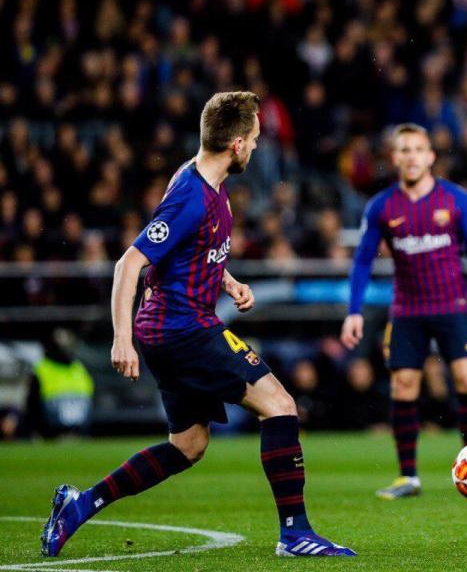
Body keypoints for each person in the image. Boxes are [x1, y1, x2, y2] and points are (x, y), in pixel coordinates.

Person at [41, 92, 355, 558]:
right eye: (252, 139)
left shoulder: (195, 176)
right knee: (281, 406)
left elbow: (187, 249)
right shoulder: (190, 196)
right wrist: (120, 339)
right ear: (234, 144)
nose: (255, 147)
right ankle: (295, 533)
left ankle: (80, 504)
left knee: (188, 445)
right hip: (181, 328)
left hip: (174, 325)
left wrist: (225, 279)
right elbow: (129, 265)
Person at [340, 123, 467, 500]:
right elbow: (362, 260)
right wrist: (354, 310)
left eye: (418, 149)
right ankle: (407, 477)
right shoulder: (382, 205)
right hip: (407, 311)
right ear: (395, 158)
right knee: (404, 385)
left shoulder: (456, 199)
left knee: (466, 381)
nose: (411, 156)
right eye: (404, 150)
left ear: (430, 156)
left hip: (453, 306)